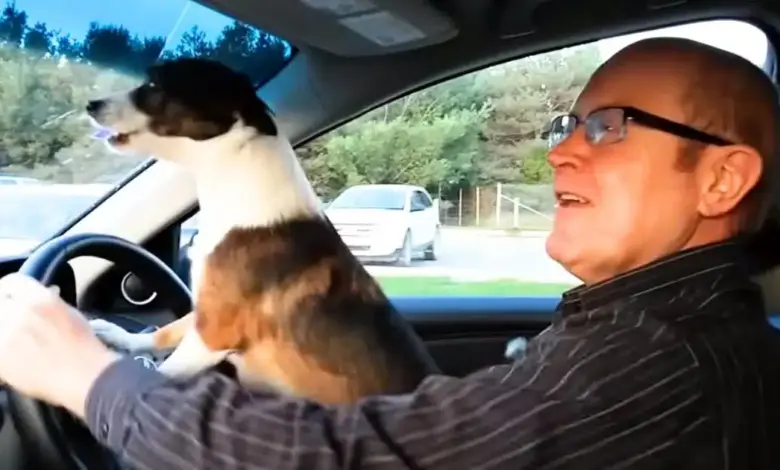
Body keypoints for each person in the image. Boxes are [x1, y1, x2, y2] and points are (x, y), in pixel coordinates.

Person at [0, 36, 779, 469]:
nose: (560, 155)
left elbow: (354, 460)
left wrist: (89, 378)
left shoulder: (653, 362)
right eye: (563, 128)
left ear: (722, 179)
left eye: (606, 127)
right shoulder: (645, 335)